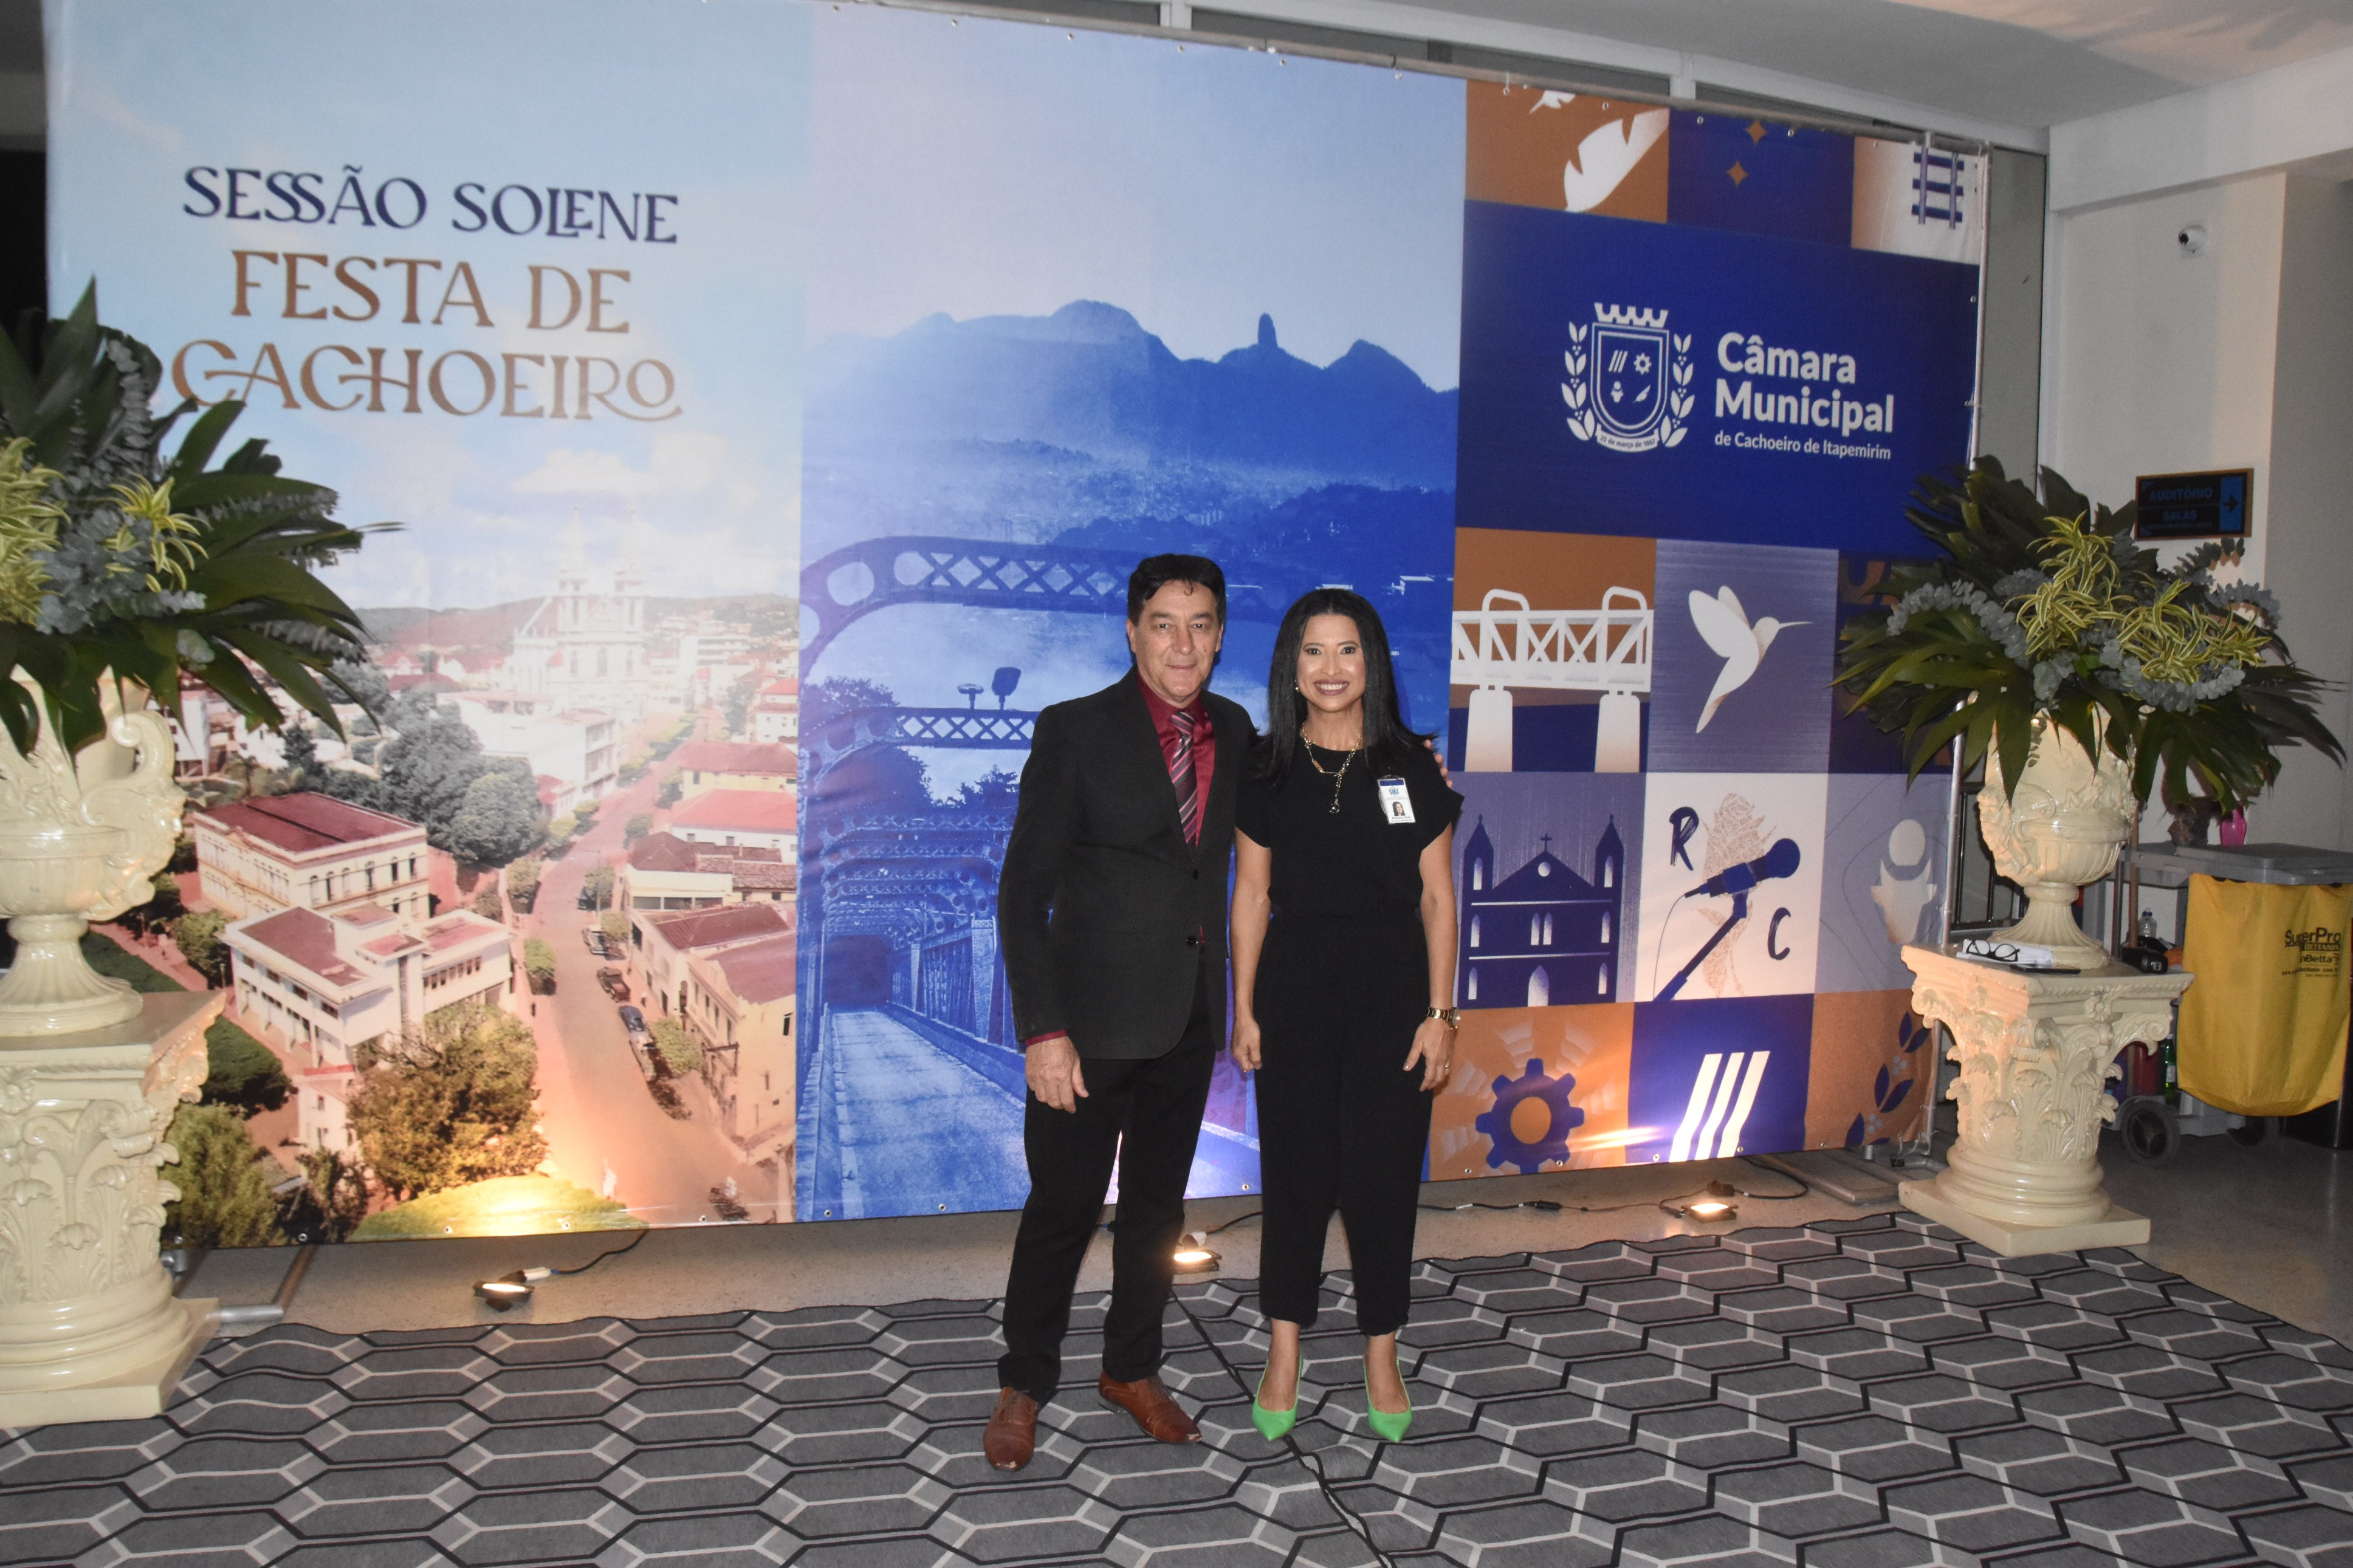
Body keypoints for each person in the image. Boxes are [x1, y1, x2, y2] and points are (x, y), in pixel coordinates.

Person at [984, 554, 1255, 1471]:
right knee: (1061, 1210)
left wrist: (1403, 765)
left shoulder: (1236, 729)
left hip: (1186, 1018)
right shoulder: (1074, 729)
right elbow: (1021, 894)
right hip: (1087, 1027)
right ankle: (1024, 1381)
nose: (1183, 644)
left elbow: (1307, 792)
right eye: (1164, 623)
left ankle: (1131, 1369)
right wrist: (1043, 1030)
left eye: (1201, 625)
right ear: (1133, 630)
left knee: (1155, 1213)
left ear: (1220, 636)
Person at [1230, 587, 1462, 1443]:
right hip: (1293, 986)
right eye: (1314, 650)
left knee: (1383, 1179)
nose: (1332, 668)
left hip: (1393, 991)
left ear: (1373, 662)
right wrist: (1243, 1006)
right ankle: (1283, 1348)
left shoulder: (1412, 765)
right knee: (1294, 1175)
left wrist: (1441, 1013)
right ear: (1291, 665)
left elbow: (1438, 898)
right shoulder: (1265, 767)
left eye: (1348, 649)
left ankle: (1381, 1351)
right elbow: (1250, 895)